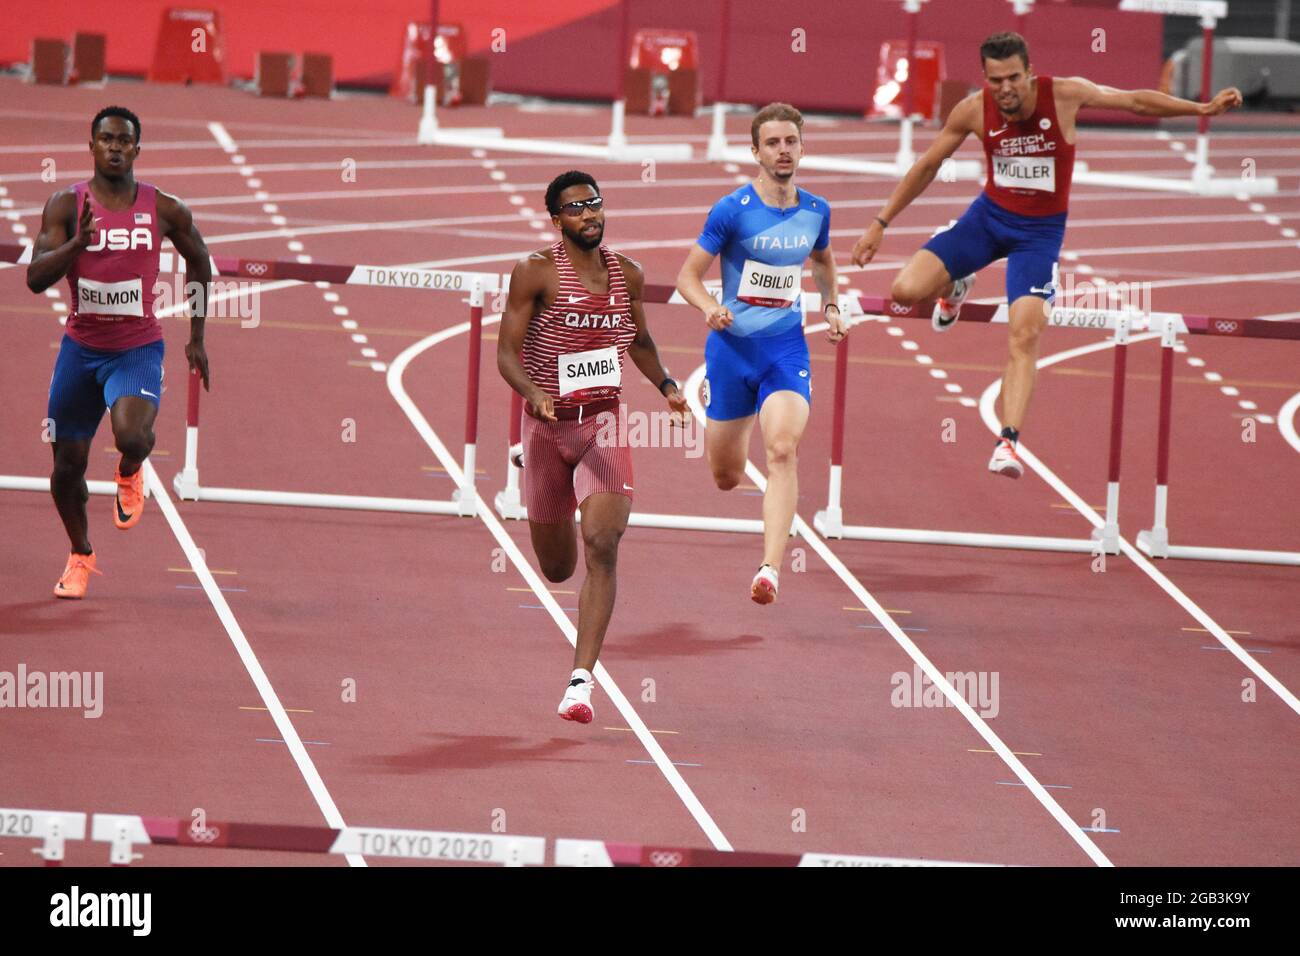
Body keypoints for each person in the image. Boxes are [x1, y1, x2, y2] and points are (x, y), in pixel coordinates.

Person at [851, 32, 1243, 478]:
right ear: (986, 78)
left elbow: (1134, 102)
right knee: (905, 290)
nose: (1006, 89)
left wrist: (1201, 110)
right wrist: (879, 224)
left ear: (1030, 73)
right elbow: (927, 166)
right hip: (987, 220)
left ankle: (1008, 441)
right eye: (996, 80)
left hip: (1037, 236)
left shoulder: (1065, 95)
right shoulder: (974, 109)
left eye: (1014, 78)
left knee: (1024, 332)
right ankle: (957, 284)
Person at [497, 170, 687, 724]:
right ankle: (522, 461)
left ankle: (580, 684)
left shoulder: (628, 274)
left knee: (603, 542)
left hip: (603, 422)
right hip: (546, 428)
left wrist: (669, 387)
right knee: (558, 569)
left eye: (596, 205)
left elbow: (640, 340)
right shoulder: (533, 273)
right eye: (577, 209)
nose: (591, 215)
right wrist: (533, 392)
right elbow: (507, 352)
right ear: (557, 221)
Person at [26, 105, 211, 598]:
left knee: (132, 436)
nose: (114, 147)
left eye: (123, 140)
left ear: (136, 149)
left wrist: (197, 336)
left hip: (136, 349)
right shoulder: (65, 206)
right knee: (66, 467)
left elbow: (200, 261)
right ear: (91, 146)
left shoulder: (164, 208)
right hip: (81, 350)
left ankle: (131, 470)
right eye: (105, 138)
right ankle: (81, 554)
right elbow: (34, 279)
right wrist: (77, 245)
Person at [676, 102, 846, 605]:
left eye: (791, 141)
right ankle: (740, 420)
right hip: (730, 351)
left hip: (785, 348)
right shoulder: (732, 210)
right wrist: (709, 306)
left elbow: (823, 261)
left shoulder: (817, 211)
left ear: (802, 147)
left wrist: (832, 304)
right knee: (726, 477)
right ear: (755, 151)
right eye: (772, 143)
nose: (783, 150)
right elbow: (689, 275)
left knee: (782, 450)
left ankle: (770, 567)